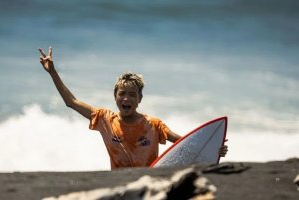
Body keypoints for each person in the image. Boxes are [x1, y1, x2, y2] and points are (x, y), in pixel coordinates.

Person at [39, 47, 228, 169]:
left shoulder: (153, 125)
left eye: (132, 94)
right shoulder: (104, 119)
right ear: (115, 97)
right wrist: (52, 72)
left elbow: (183, 144)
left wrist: (212, 146)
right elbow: (71, 102)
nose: (126, 98)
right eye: (122, 93)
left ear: (140, 99)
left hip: (148, 185)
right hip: (119, 185)